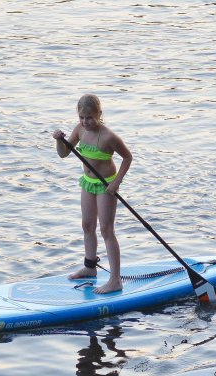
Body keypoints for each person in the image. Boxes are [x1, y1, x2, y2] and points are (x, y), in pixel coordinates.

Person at [53, 94, 133, 294]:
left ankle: (115, 280)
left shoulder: (108, 137)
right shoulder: (79, 130)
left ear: (99, 114)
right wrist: (58, 140)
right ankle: (90, 267)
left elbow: (127, 158)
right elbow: (63, 154)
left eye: (90, 118)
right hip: (87, 183)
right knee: (87, 225)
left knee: (106, 229)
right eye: (81, 117)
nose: (85, 122)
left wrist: (116, 182)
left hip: (105, 185)